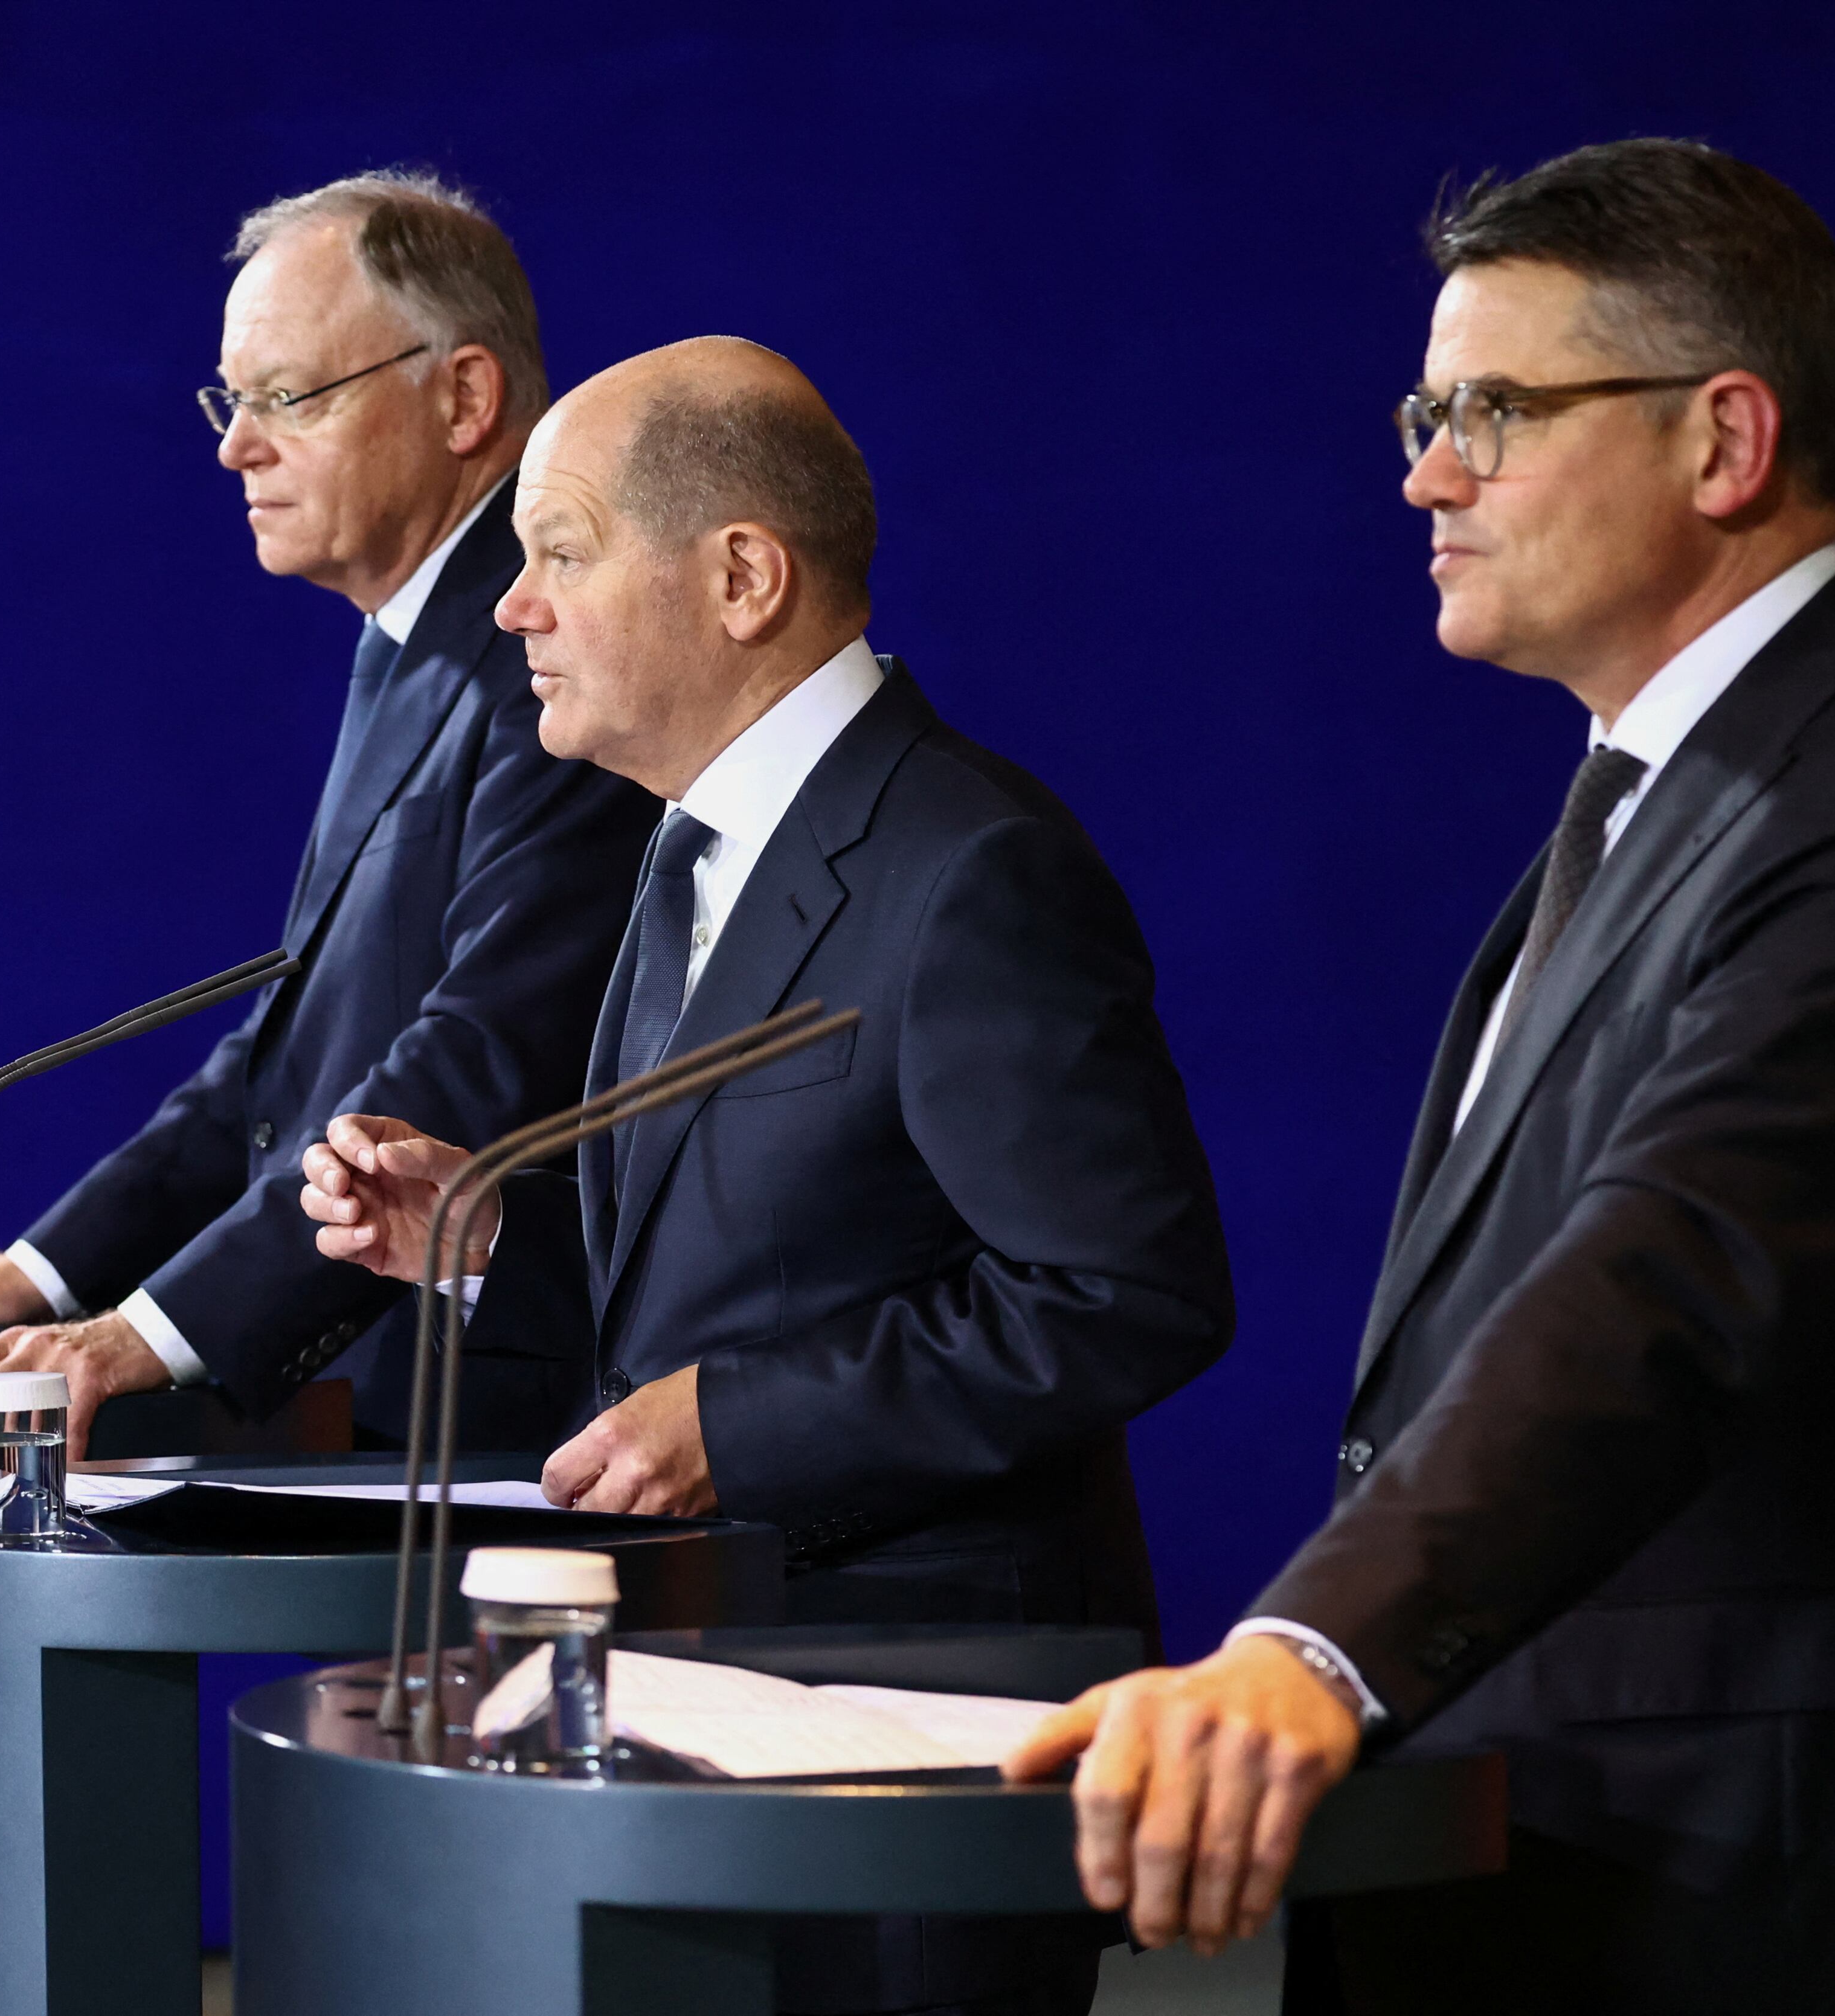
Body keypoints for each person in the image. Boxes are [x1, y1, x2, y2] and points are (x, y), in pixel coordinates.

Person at [1006, 139, 1835, 2014]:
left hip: (1737, 1876)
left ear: (1724, 442)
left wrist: (1312, 1654)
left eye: (1493, 410)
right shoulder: (1654, 795)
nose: (1426, 472)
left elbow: (1666, 1277)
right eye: (1431, 410)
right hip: (1530, 1828)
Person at [303, 335, 1235, 2015]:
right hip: (712, 1706)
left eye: (560, 553)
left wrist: (737, 1421)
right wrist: (491, 1243)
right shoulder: (685, 845)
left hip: (917, 1726)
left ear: (741, 576)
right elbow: (755, 1254)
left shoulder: (971, 871)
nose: (515, 607)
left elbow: (1126, 1294)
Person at [0, 173, 654, 1448]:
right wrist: (45, 1275)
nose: (233, 448)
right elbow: (286, 1047)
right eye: (231, 400)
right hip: (386, 1389)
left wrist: (154, 1331)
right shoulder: (411, 642)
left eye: (286, 398)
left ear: (464, 397)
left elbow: (477, 1052)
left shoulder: (544, 655)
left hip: (499, 1427)